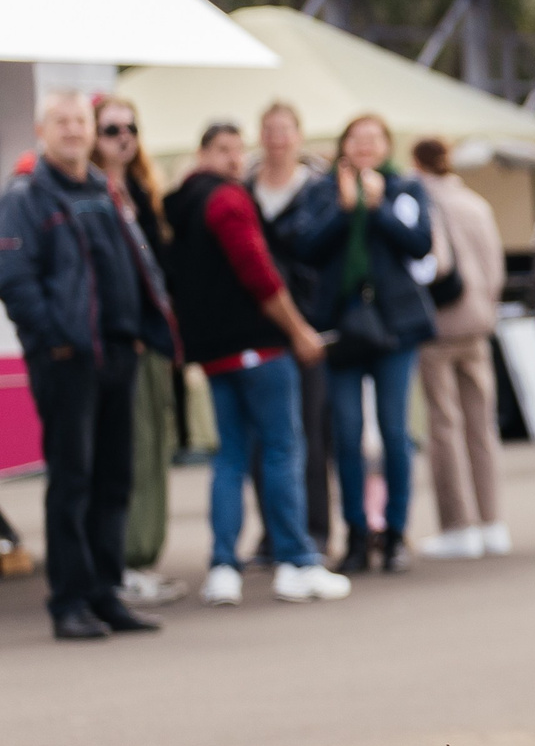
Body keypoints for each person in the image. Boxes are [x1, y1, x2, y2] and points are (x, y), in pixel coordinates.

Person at [0, 90, 174, 639]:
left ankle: (106, 592)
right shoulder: (26, 195)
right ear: (42, 129)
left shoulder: (103, 189)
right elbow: (15, 278)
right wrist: (54, 340)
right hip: (68, 361)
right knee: (73, 482)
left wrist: (147, 329)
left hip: (118, 355)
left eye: (81, 121)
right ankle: (70, 601)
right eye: (63, 121)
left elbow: (135, 264)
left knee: (113, 480)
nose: (74, 130)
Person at [163, 122, 349, 605]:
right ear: (203, 154)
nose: (233, 159)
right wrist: (297, 329)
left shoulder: (179, 207)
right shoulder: (227, 200)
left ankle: (224, 564)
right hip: (258, 347)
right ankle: (296, 561)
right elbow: (258, 271)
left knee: (229, 458)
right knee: (282, 450)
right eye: (223, 149)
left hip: (213, 352)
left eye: (236, 150)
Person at [305, 113, 436, 575]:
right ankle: (357, 533)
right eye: (356, 139)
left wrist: (377, 209)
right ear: (343, 145)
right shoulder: (322, 190)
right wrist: (344, 211)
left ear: (386, 146)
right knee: (345, 432)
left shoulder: (405, 189)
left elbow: (421, 244)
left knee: (394, 431)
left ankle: (396, 531)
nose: (364, 146)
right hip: (342, 326)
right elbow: (307, 247)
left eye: (374, 138)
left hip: (394, 325)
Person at [91, 94, 185, 606]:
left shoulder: (145, 194)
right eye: (110, 129)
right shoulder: (87, 194)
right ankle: (121, 561)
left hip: (151, 341)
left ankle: (140, 558)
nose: (122, 137)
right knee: (123, 455)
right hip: (111, 343)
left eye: (130, 127)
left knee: (152, 450)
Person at [413, 139, 509, 559]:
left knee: (444, 425)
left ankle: (457, 526)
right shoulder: (475, 204)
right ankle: (492, 522)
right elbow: (495, 269)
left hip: (436, 325)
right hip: (477, 323)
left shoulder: (421, 201)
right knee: (481, 426)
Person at [250, 101, 339, 556]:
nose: (277, 138)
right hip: (259, 326)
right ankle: (274, 531)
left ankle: (316, 532)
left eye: (285, 129)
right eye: (270, 129)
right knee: (261, 438)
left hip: (308, 322)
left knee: (309, 432)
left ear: (299, 136)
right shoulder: (246, 188)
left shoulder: (318, 189)